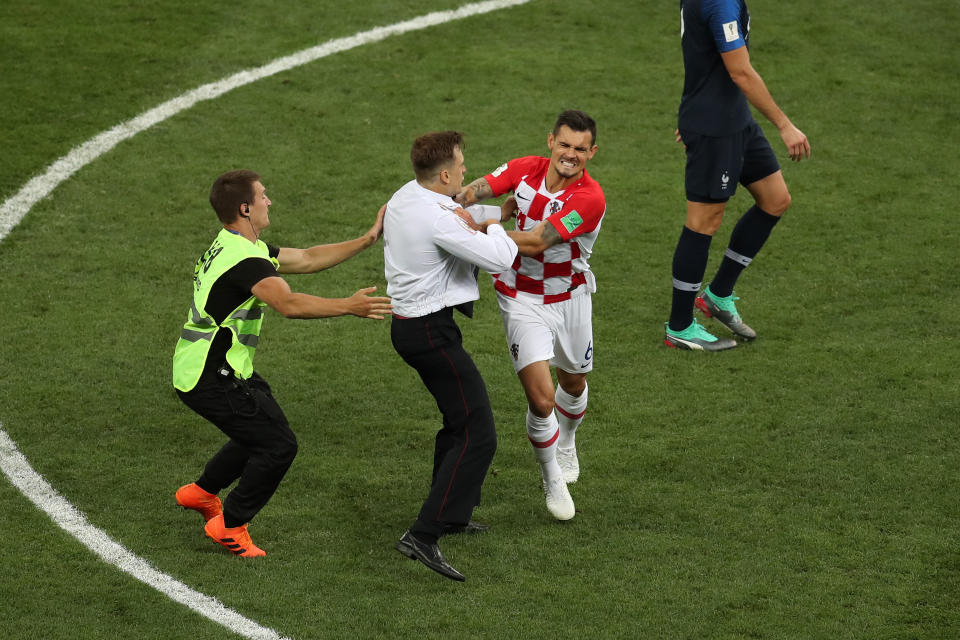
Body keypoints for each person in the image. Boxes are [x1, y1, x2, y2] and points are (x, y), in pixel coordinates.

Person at [172, 169, 392, 557]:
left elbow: (306, 259)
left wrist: (366, 239)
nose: (268, 201)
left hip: (216, 366)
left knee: (263, 427)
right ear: (245, 207)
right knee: (277, 446)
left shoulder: (238, 245)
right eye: (262, 196)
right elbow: (288, 304)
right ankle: (230, 525)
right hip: (209, 375)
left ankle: (201, 493)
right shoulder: (244, 261)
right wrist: (349, 306)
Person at [455, 109, 606, 522]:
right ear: (550, 141)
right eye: (564, 145)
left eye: (580, 149)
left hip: (570, 297)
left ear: (592, 152)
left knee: (573, 385)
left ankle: (568, 439)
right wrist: (447, 203)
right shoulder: (525, 169)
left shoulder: (589, 199)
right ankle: (552, 476)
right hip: (519, 296)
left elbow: (539, 241)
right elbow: (475, 190)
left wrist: (479, 229)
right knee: (542, 401)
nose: (570, 155)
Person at [384, 131, 518, 581]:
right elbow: (499, 258)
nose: (465, 171)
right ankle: (423, 534)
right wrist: (500, 223)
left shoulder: (406, 195)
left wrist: (490, 213)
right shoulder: (439, 218)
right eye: (461, 165)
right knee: (478, 433)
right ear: (444, 174)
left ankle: (453, 515)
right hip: (430, 333)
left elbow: (458, 213)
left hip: (411, 327)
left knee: (457, 422)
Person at [664, 0, 811, 351]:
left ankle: (719, 294)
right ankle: (680, 326)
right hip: (716, 128)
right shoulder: (720, 4)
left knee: (775, 199)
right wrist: (785, 125)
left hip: (734, 119)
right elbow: (740, 71)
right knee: (703, 222)